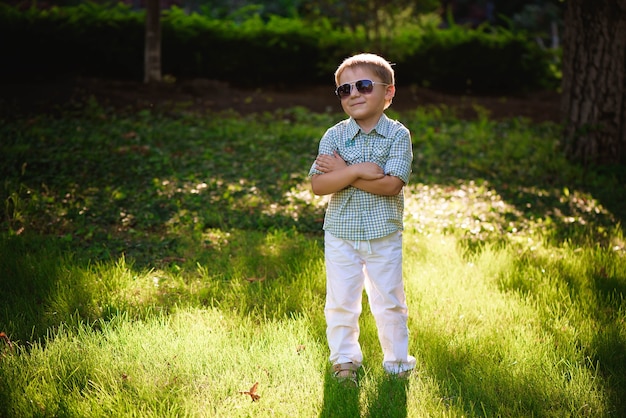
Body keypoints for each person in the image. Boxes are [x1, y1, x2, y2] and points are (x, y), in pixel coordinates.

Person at [308, 53, 416, 385]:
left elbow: (390, 184)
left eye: (364, 86)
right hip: (340, 233)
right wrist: (354, 170)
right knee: (341, 301)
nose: (353, 93)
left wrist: (343, 173)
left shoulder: (398, 136)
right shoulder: (334, 136)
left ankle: (397, 363)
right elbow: (318, 184)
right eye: (344, 90)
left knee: (389, 301)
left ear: (388, 92)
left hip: (383, 234)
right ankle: (344, 362)